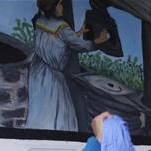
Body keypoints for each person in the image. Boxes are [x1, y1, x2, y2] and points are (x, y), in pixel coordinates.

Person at [24, 0, 108, 131]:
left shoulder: (40, 21)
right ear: (54, 7)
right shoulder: (62, 26)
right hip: (52, 76)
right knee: (56, 110)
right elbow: (79, 44)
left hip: (38, 70)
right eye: (60, 4)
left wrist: (78, 32)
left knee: (39, 106)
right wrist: (98, 41)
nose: (62, 7)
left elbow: (60, 39)